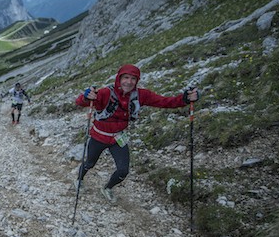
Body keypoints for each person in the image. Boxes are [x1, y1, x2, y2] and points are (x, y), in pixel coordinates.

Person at [75, 64, 199, 203]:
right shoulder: (105, 93)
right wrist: (86, 96)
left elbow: (164, 102)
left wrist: (185, 99)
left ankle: (107, 188)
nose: (129, 82)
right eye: (126, 77)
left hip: (118, 138)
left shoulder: (141, 95)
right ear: (119, 78)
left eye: (133, 79)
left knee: (123, 170)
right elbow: (81, 102)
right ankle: (79, 180)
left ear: (137, 80)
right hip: (99, 136)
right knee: (89, 163)